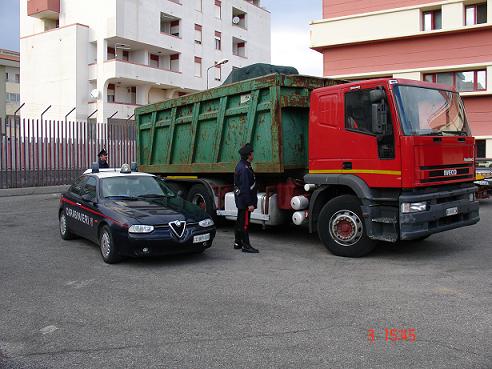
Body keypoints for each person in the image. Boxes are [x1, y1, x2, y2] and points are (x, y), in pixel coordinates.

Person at [233, 143, 259, 253]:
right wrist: (249, 203)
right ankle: (246, 246)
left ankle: (237, 242)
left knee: (240, 221)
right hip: (245, 201)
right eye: (252, 153)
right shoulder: (244, 169)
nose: (253, 155)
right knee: (245, 223)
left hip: (241, 200)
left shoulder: (242, 165)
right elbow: (245, 188)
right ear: (249, 155)